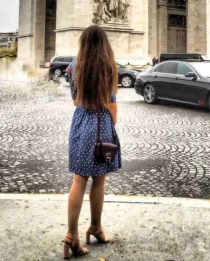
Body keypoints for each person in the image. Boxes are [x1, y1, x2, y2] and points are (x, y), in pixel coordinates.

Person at [63, 25, 121, 258]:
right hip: (100, 125)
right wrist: (112, 124)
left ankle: (71, 236)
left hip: (79, 125)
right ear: (104, 44)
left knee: (78, 180)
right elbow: (111, 103)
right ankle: (95, 226)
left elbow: (76, 102)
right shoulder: (108, 67)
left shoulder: (74, 67)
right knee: (99, 180)